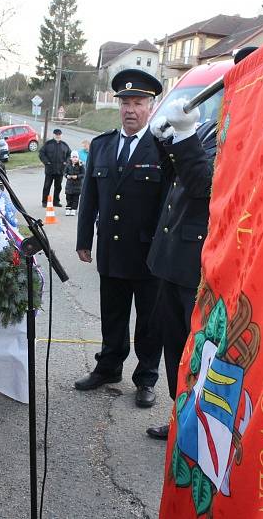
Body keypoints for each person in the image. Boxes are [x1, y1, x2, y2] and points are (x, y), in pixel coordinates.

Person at [143, 46, 257, 441]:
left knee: (199, 352)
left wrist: (186, 135)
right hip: (173, 257)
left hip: (202, 262)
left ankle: (196, 429)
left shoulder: (253, 132)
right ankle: (180, 419)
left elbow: (205, 186)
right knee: (175, 348)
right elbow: (175, 172)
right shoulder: (217, 125)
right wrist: (165, 140)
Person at [75, 69, 166, 408]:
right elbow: (90, 198)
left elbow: (167, 203)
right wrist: (84, 239)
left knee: (148, 321)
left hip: (148, 253)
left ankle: (146, 378)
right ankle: (109, 367)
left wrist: (164, 248)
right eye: (125, 102)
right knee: (112, 314)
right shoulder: (102, 145)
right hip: (112, 248)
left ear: (150, 107)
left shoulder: (162, 148)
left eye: (138, 102)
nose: (130, 109)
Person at [39, 128, 71, 207]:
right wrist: (46, 162)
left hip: (60, 170)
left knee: (58, 186)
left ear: (61, 135)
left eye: (59, 135)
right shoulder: (48, 144)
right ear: (53, 135)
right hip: (50, 169)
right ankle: (44, 202)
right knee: (47, 186)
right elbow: (41, 153)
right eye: (56, 135)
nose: (58, 136)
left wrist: (66, 162)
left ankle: (56, 201)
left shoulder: (65, 145)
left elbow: (69, 155)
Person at [64, 150, 84, 216]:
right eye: (73, 157)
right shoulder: (68, 165)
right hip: (69, 185)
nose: (75, 159)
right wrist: (67, 176)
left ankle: (74, 209)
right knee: (68, 198)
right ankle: (68, 208)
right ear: (71, 158)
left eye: (76, 157)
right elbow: (64, 173)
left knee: (75, 198)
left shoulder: (81, 165)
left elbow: (83, 174)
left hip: (77, 186)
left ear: (78, 158)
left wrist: (77, 176)